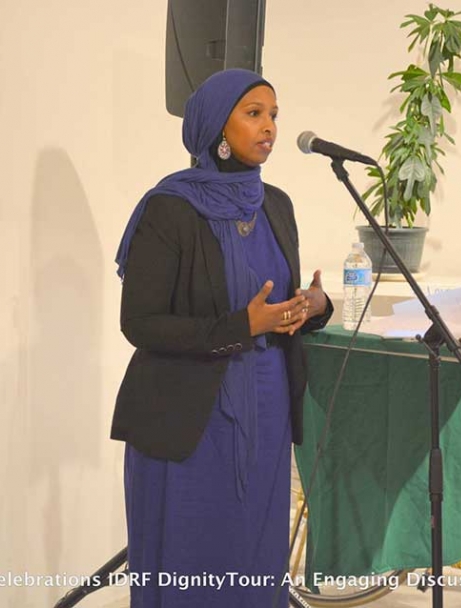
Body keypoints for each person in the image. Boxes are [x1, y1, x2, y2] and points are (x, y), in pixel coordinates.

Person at [110, 68, 333, 608]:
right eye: (253, 113)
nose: (270, 127)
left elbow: (276, 301)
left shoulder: (276, 204)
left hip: (265, 405)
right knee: (191, 550)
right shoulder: (169, 208)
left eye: (274, 114)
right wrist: (243, 326)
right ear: (216, 127)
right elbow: (139, 322)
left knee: (253, 556)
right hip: (189, 415)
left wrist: (311, 307)